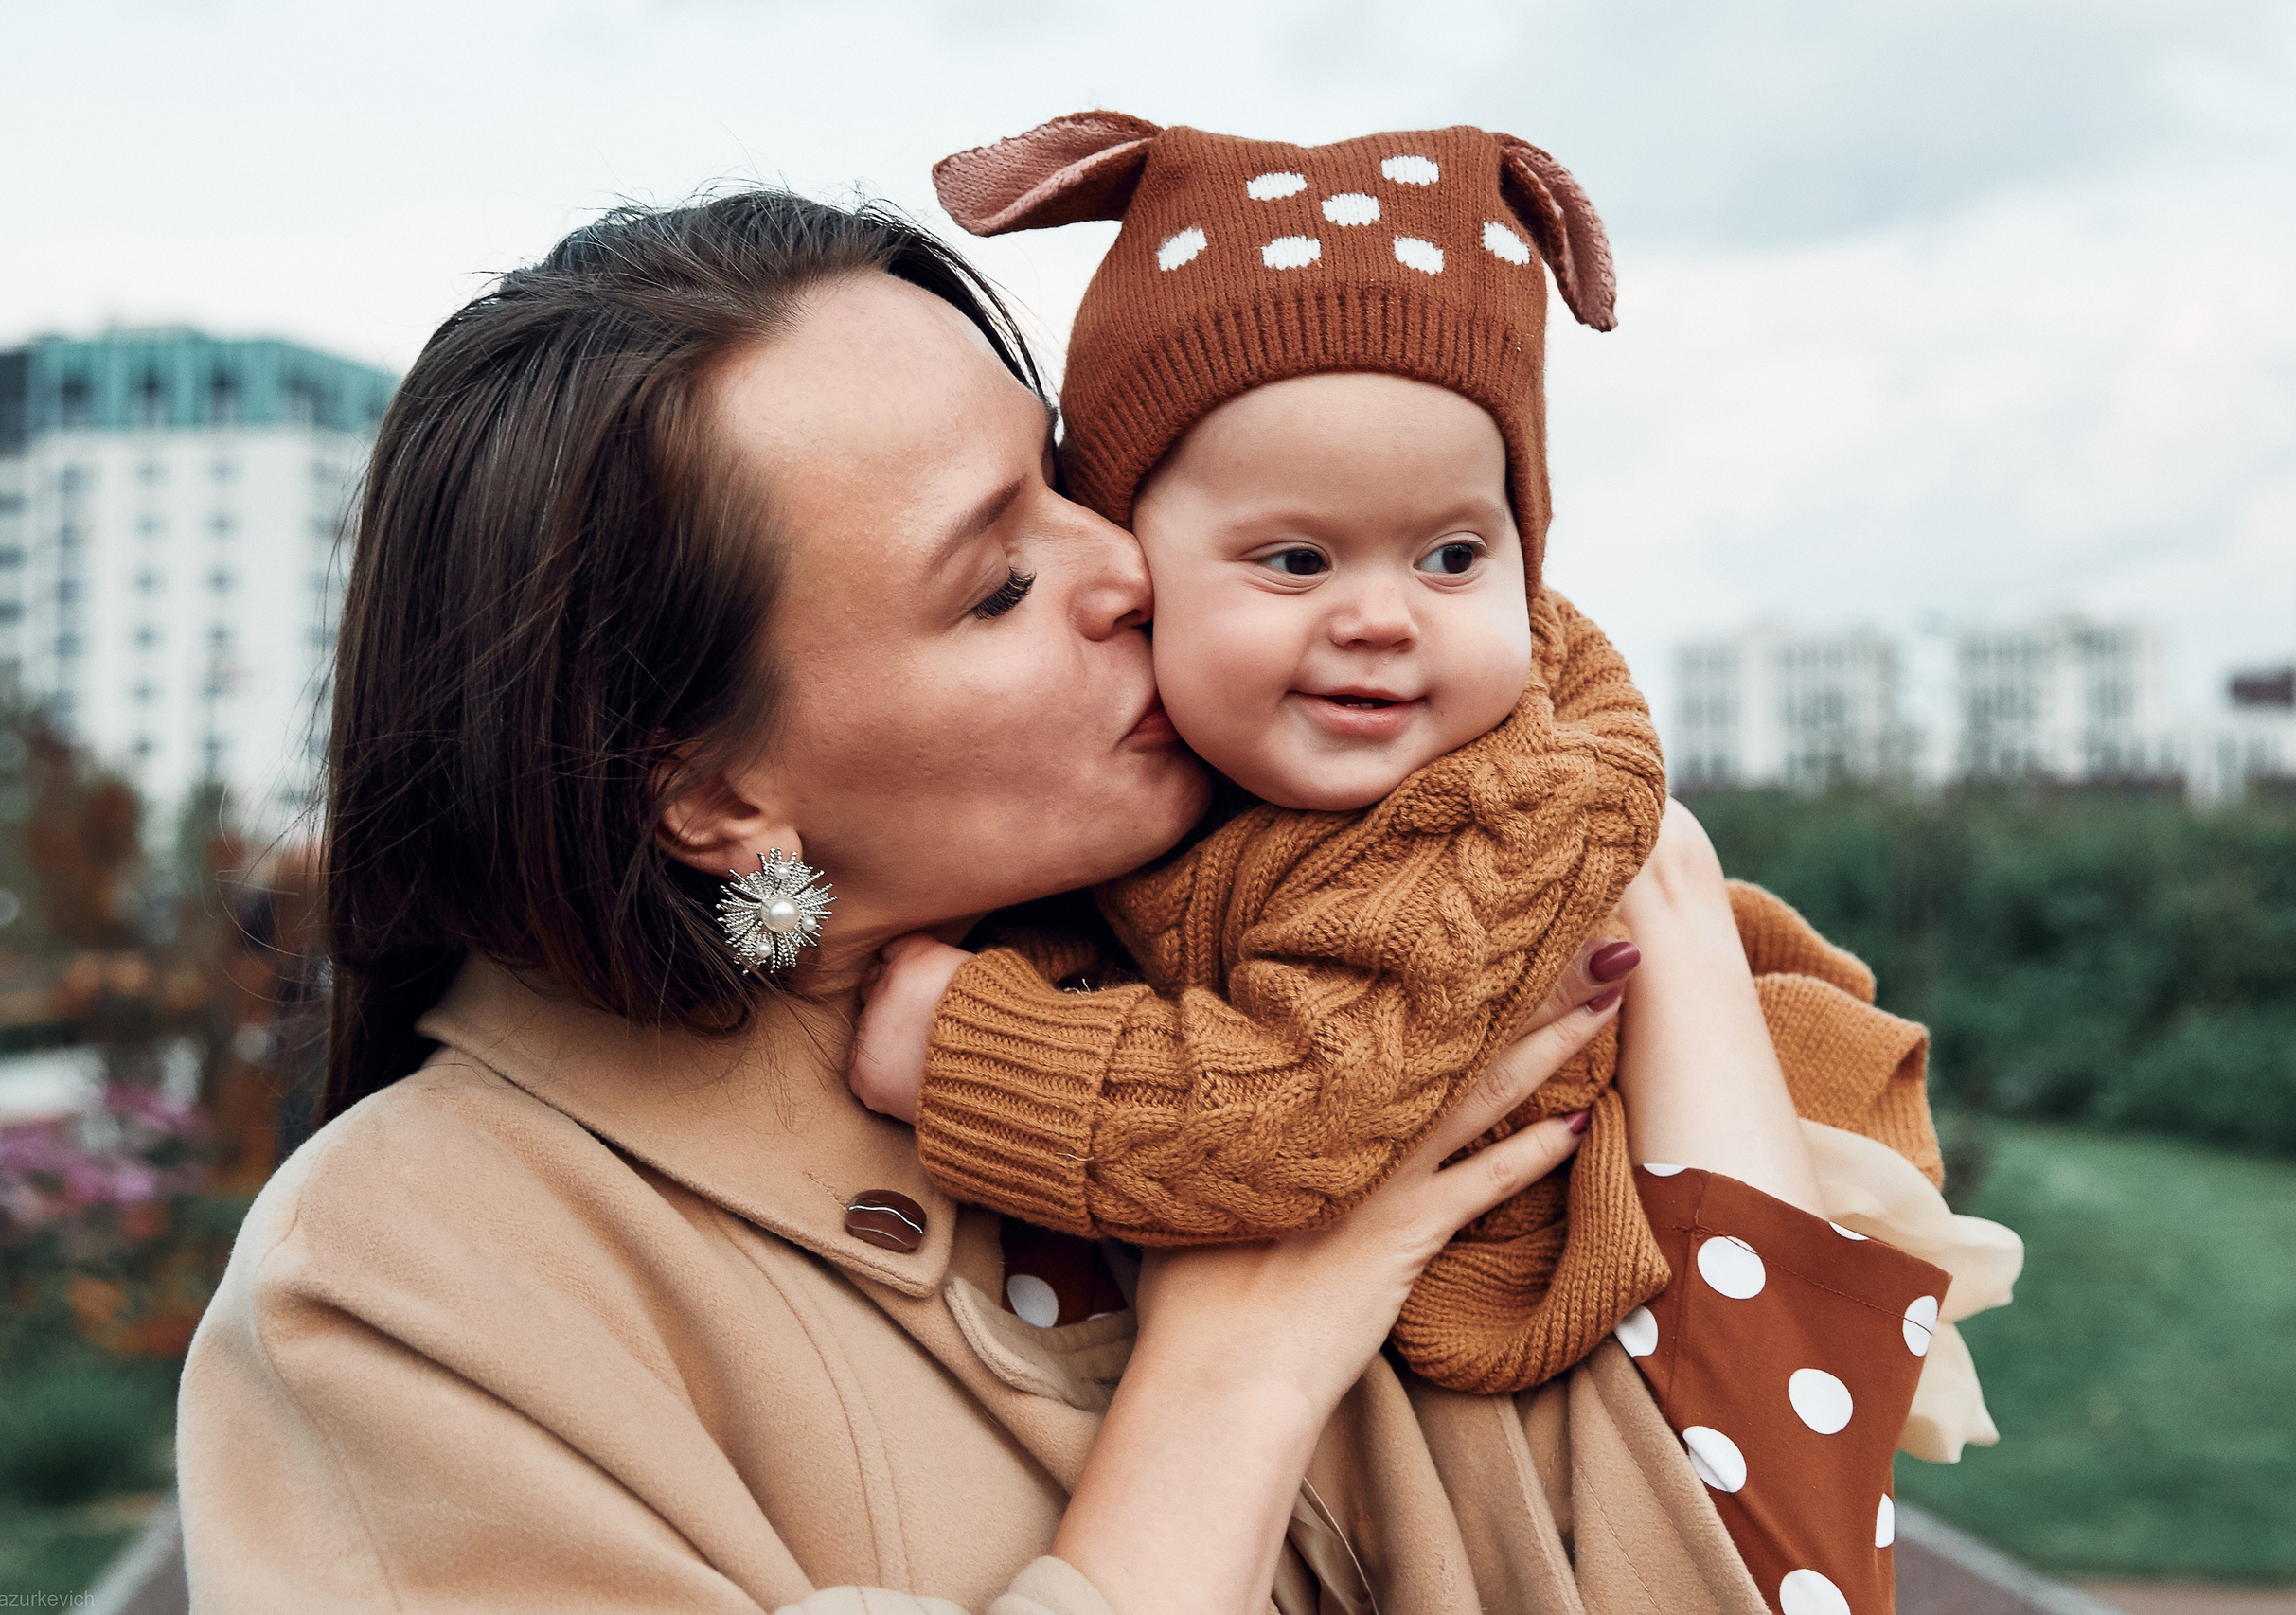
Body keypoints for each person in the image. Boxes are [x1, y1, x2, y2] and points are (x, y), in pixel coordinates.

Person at [176, 186, 2003, 1615]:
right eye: (993, 585)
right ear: (713, 792)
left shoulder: (1310, 961)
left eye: (1065, 482)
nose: (1129, 564)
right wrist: (1236, 1371)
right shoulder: (411, 1290)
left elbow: (1774, 1542)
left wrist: (1659, 919)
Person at [838, 115, 2016, 1615]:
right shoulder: (1212, 795)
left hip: (1668, 1331)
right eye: (1295, 560)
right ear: (1136, 568)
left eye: (1453, 555)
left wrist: (974, 1047)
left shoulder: (1501, 813)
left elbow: (1294, 1108)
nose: (1383, 615)